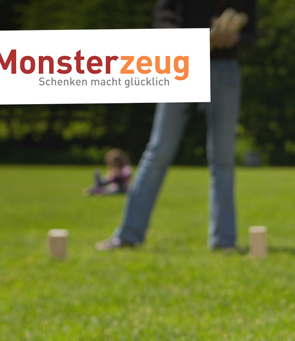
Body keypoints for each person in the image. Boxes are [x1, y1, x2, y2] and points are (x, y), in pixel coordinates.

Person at [97, 1, 256, 252]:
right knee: (158, 151)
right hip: (181, 64)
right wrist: (200, 39)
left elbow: (252, 34)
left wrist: (234, 37)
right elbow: (162, 24)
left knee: (224, 158)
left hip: (225, 68)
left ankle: (224, 240)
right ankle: (128, 234)